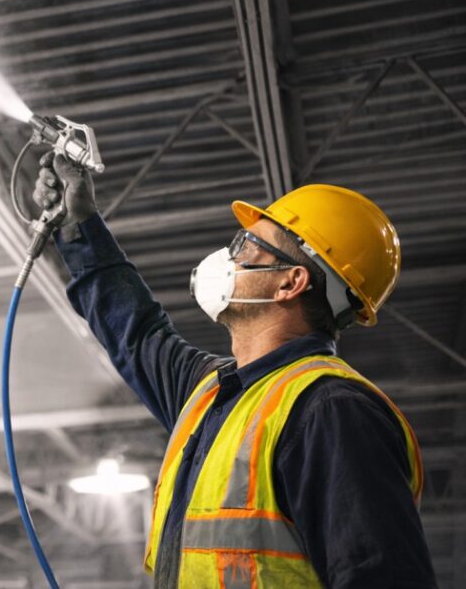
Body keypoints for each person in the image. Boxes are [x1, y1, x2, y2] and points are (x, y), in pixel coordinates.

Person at [32, 152, 436, 588]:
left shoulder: (332, 411)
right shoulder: (212, 394)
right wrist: (79, 225)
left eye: (245, 246)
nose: (227, 258)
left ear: (291, 282)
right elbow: (137, 331)